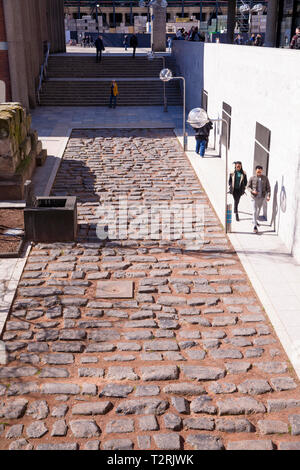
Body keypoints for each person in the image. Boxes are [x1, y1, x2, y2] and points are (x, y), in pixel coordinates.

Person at [247, 165, 271, 233]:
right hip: (254, 197)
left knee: (258, 210)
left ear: (262, 171)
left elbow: (268, 188)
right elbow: (248, 187)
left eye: (260, 171)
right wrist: (252, 191)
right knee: (254, 211)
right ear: (256, 171)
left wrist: (268, 196)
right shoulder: (252, 178)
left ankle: (254, 220)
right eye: (258, 171)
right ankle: (255, 226)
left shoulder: (265, 178)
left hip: (262, 197)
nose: (259, 172)